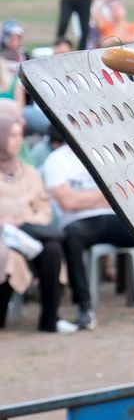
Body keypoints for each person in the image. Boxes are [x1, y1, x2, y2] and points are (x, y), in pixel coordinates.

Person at [42, 126, 134, 329]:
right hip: (78, 222)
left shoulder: (107, 154)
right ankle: (84, 307)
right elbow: (67, 202)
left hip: (114, 217)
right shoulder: (56, 160)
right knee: (71, 236)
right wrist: (108, 194)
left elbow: (129, 192)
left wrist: (85, 197)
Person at [0, 102, 77, 333]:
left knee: (52, 249)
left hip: (30, 234)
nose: (17, 140)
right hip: (3, 238)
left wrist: (25, 221)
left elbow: (44, 210)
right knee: (7, 253)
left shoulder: (30, 173)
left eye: (19, 135)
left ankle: (49, 318)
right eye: (11, 135)